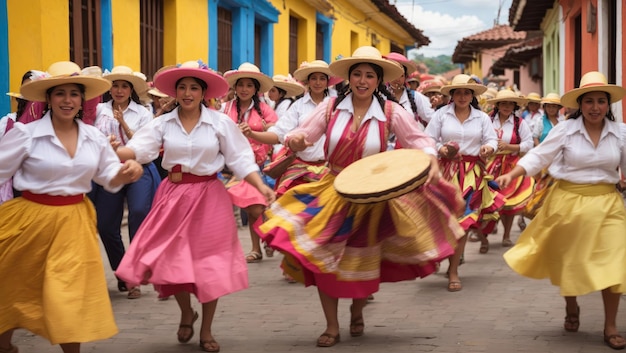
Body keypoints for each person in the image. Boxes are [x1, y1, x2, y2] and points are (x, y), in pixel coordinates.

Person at [256, 46, 464, 347]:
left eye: (369, 75)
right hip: (333, 189)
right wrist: (296, 140)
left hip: (372, 196)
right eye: (357, 74)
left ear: (378, 81)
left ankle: (356, 310)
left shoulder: (392, 111)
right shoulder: (329, 108)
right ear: (348, 78)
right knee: (323, 260)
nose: (363, 80)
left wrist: (431, 158)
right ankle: (331, 325)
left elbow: (420, 140)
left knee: (360, 260)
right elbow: (301, 135)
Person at [114, 61, 275, 353]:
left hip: (209, 196)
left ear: (204, 93)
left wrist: (260, 185)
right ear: (175, 92)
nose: (188, 93)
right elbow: (139, 149)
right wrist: (117, 150)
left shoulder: (219, 122)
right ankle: (187, 312)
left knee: (209, 265)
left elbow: (239, 158)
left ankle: (207, 329)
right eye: (183, 87)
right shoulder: (162, 123)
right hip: (173, 195)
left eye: (194, 88)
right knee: (173, 262)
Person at [0, 60, 144, 353]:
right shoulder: (26, 134)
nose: (67, 100)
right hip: (30, 220)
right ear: (49, 99)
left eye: (74, 94)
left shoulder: (94, 137)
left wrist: (127, 171)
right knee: (17, 286)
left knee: (69, 293)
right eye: (60, 94)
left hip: (74, 222)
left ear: (82, 100)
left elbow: (107, 177)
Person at [496, 71, 626, 350]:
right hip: (568, 203)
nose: (594, 107)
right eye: (588, 101)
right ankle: (572, 305)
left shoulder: (621, 133)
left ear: (608, 104)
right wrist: (513, 174)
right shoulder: (566, 130)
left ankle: (610, 325)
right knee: (571, 260)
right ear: (580, 104)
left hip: (608, 204)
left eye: (600, 101)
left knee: (615, 263)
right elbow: (538, 156)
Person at [424, 73, 503, 292]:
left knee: (463, 221)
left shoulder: (482, 117)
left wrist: (489, 148)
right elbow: (428, 138)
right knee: (442, 218)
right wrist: (439, 148)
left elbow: (491, 139)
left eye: (466, 92)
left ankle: (453, 270)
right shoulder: (441, 115)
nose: (462, 96)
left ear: (472, 95)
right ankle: (444, 254)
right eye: (458, 92)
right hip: (443, 172)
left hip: (471, 174)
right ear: (451, 95)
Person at [90, 65, 161, 299]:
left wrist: (124, 124)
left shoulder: (143, 113)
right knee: (107, 225)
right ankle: (123, 272)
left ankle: (137, 276)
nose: (119, 90)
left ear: (131, 90)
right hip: (108, 171)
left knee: (139, 213)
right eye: (115, 85)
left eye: (124, 86)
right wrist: (105, 148)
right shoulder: (98, 110)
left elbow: (145, 143)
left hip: (138, 168)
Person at [221, 62, 278, 263]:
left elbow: (275, 133)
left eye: (249, 85)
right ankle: (259, 245)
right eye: (241, 85)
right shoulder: (225, 108)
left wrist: (260, 129)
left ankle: (262, 243)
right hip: (231, 169)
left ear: (255, 89)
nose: (244, 89)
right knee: (251, 208)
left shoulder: (264, 110)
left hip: (258, 167)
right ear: (235, 87)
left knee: (255, 207)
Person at [484, 89, 534, 247]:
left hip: (510, 165)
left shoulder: (520, 123)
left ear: (514, 106)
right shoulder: (487, 120)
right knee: (487, 200)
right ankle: (483, 236)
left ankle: (506, 235)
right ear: (497, 105)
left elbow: (528, 144)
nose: (506, 106)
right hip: (489, 164)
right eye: (503, 103)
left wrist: (509, 146)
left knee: (508, 201)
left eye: (510, 103)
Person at [383, 52, 434, 128]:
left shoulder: (416, 97)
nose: (397, 79)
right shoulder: (379, 95)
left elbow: (433, 119)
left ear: (406, 77)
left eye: (401, 75)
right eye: (394, 74)